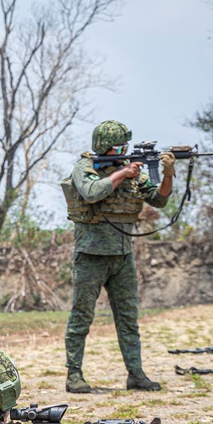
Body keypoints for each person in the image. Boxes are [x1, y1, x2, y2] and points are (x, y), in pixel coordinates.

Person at [62, 120, 174, 394]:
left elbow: (159, 201)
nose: (124, 149)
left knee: (128, 318)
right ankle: (74, 374)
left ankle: (136, 374)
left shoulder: (133, 173)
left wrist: (168, 174)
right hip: (91, 255)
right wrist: (123, 173)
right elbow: (90, 192)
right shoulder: (85, 167)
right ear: (104, 148)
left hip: (123, 256)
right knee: (82, 317)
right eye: (119, 146)